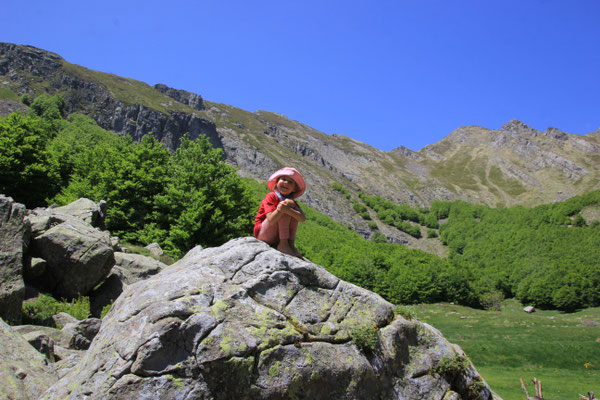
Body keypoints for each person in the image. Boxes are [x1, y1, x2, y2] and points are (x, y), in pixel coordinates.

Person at [254, 167, 306, 257]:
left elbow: (302, 218)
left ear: (294, 189)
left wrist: (291, 207)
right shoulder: (271, 196)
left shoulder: (291, 201)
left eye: (290, 182)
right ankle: (283, 244)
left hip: (275, 237)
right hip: (263, 234)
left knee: (290, 212)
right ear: (277, 182)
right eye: (284, 179)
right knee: (285, 210)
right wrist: (282, 209)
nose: (286, 183)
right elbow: (271, 220)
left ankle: (290, 244)